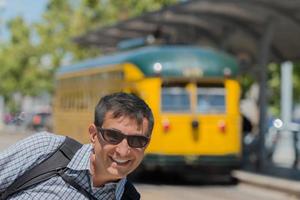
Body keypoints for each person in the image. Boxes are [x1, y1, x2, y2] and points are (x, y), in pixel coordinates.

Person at [0, 92, 154, 200]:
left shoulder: (128, 197)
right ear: (93, 134)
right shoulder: (47, 150)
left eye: (137, 140)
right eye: (113, 136)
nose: (123, 150)